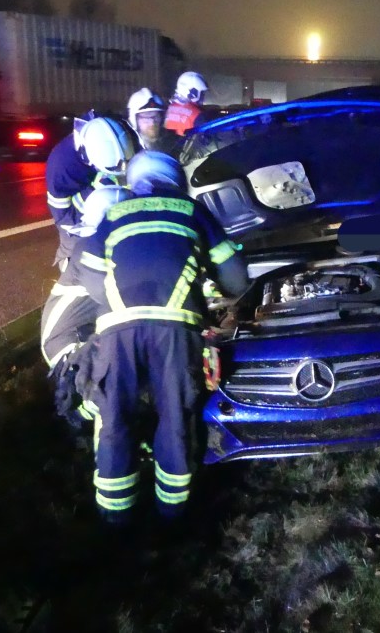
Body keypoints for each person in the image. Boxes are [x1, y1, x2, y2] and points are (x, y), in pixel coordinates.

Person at [76, 149, 249, 526]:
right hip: (176, 331)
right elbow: (236, 277)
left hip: (118, 331)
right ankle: (172, 513)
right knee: (175, 417)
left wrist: (120, 303)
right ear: (176, 180)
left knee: (114, 416)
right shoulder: (191, 210)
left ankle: (114, 516)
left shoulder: (114, 213)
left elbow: (86, 269)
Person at [40, 185, 135, 429]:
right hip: (68, 343)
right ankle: (89, 422)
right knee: (114, 380)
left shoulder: (96, 243)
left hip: (76, 335)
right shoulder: (91, 250)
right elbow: (116, 297)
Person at [45, 115, 140, 271]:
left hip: (106, 187)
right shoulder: (62, 165)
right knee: (75, 246)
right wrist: (97, 190)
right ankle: (69, 270)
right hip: (78, 207)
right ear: (87, 157)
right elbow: (63, 216)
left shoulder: (116, 132)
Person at [126, 87, 178, 154]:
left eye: (156, 116)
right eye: (146, 117)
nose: (152, 122)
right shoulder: (128, 149)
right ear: (133, 120)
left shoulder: (174, 146)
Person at [163, 71, 210, 136]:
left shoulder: (168, 109)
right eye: (202, 93)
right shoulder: (197, 114)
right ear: (193, 94)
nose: (203, 96)